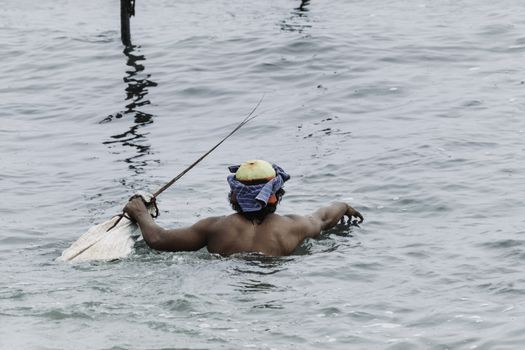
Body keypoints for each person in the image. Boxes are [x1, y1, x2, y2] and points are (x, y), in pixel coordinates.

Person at [124, 160, 363, 256]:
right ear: (276, 195)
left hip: (229, 286)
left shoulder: (215, 228)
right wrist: (342, 205)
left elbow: (158, 239)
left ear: (234, 196)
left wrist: (140, 212)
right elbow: (323, 218)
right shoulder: (294, 226)